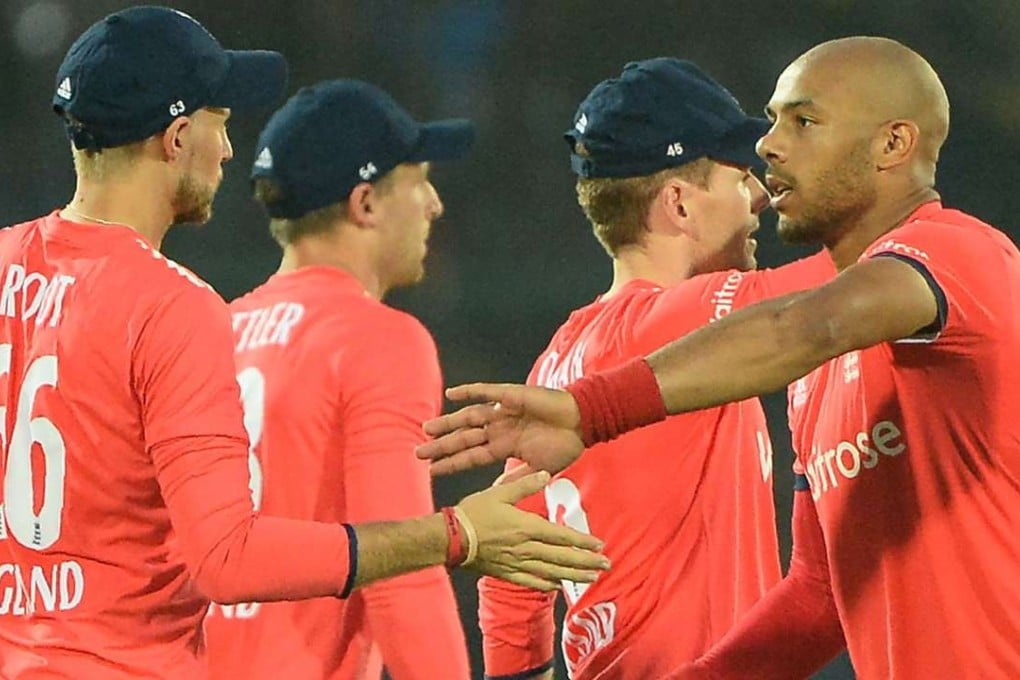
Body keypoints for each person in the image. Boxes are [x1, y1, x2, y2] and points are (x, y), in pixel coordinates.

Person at [0, 7, 608, 680]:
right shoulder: (175, 306)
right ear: (176, 137)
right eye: (220, 121)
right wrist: (454, 536)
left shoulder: (9, 265)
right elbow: (226, 559)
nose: (228, 149)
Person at [417, 36, 1020, 679]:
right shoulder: (794, 368)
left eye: (804, 121)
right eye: (770, 127)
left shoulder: (959, 254)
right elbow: (819, 592)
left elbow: (803, 323)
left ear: (893, 144)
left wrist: (587, 409)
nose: (766, 150)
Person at [476, 58, 835, 680]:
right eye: (739, 173)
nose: (758, 194)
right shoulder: (677, 321)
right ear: (680, 204)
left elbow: (511, 564)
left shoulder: (559, 354)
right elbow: (855, 283)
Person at [203, 79, 477, 680]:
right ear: (366, 204)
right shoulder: (379, 339)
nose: (434, 203)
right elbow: (401, 568)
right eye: (417, 180)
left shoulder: (210, 332)